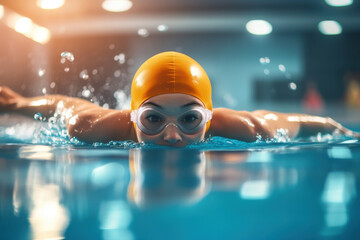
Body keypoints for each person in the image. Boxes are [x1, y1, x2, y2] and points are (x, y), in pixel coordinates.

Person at [0, 52, 358, 147]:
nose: (172, 137)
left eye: (190, 120)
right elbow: (63, 105)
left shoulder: (250, 128)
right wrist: (17, 105)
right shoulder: (91, 127)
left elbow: (301, 123)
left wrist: (343, 131)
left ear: (208, 116)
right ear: (133, 115)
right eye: (152, 120)